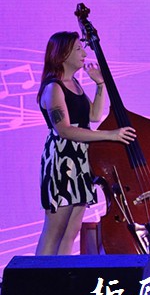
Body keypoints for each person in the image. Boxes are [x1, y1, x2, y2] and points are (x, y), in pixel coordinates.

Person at [36, 31, 136, 256]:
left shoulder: (74, 84)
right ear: (63, 53)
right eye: (78, 49)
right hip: (62, 161)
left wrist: (100, 85)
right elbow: (64, 130)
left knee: (71, 231)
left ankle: (61, 275)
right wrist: (110, 135)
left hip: (81, 161)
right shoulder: (54, 87)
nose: (84, 53)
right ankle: (40, 277)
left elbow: (94, 115)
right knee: (54, 230)